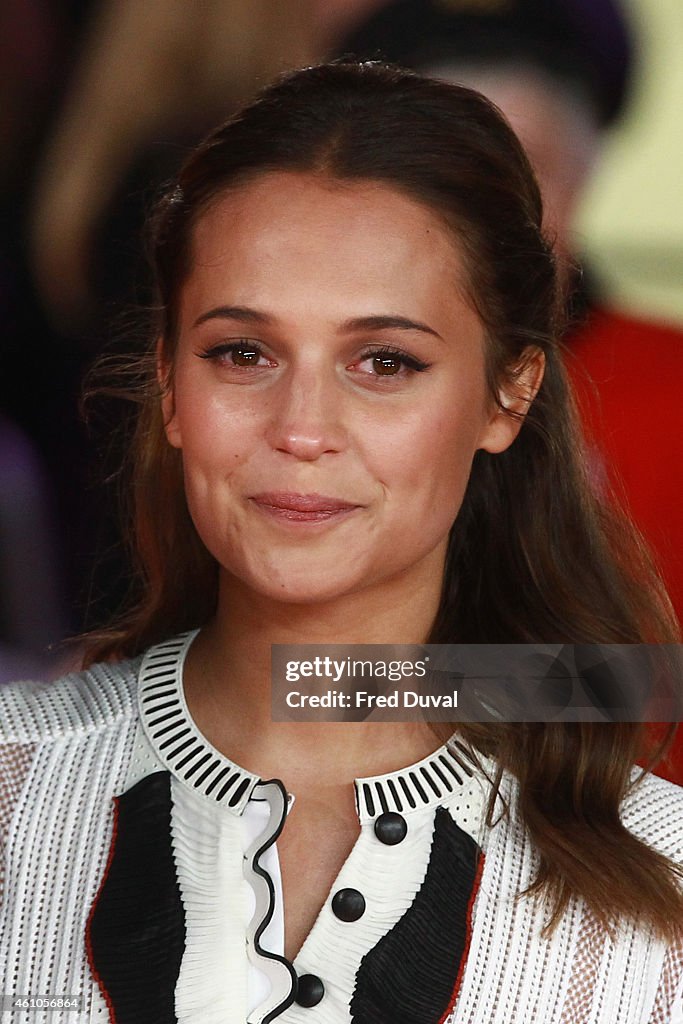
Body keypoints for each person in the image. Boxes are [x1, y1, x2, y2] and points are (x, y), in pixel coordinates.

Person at [1, 61, 682, 1023]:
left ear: (509, 392)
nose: (302, 427)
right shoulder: (11, 794)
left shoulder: (666, 890)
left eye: (384, 361)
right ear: (167, 380)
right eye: (243, 352)